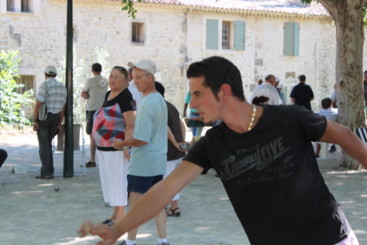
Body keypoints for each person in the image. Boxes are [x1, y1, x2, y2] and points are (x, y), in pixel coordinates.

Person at [79, 56, 367, 245]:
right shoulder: (212, 144)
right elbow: (165, 191)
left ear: (224, 91)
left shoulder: (289, 118)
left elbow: (342, 135)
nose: (192, 103)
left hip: (331, 239)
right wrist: (117, 230)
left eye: (198, 94)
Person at [111, 59, 169, 245]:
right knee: (158, 203)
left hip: (143, 163)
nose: (134, 82)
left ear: (150, 78)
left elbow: (142, 139)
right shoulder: (159, 99)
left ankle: (130, 243)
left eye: (138, 78)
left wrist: (123, 144)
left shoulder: (146, 104)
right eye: (133, 78)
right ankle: (163, 240)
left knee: (134, 206)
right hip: (158, 160)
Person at [92, 66, 136, 226]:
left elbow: (130, 123)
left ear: (125, 81)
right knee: (109, 181)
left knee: (118, 181)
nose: (112, 80)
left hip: (117, 148)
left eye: (117, 77)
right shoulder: (108, 94)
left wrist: (126, 146)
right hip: (104, 148)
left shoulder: (126, 97)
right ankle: (114, 213)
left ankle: (120, 215)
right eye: (111, 76)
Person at [155, 81, 186, 217]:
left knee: (167, 180)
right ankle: (172, 206)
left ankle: (174, 207)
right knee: (170, 178)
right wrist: (181, 143)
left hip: (166, 150)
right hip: (174, 150)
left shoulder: (158, 107)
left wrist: (175, 143)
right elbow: (181, 125)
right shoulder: (171, 106)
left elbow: (165, 129)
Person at [33, 65, 67, 179]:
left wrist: (35, 120)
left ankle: (46, 172)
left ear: (45, 74)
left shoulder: (45, 85)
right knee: (48, 144)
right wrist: (59, 123)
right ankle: (49, 170)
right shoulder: (62, 87)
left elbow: (38, 104)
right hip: (56, 118)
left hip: (44, 117)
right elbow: (63, 107)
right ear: (55, 75)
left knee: (44, 146)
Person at [81, 63, 108, 168]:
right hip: (103, 109)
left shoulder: (90, 81)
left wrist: (85, 95)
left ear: (92, 70)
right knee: (104, 134)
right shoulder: (105, 81)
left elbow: (84, 93)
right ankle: (104, 159)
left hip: (92, 109)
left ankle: (92, 159)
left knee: (92, 135)